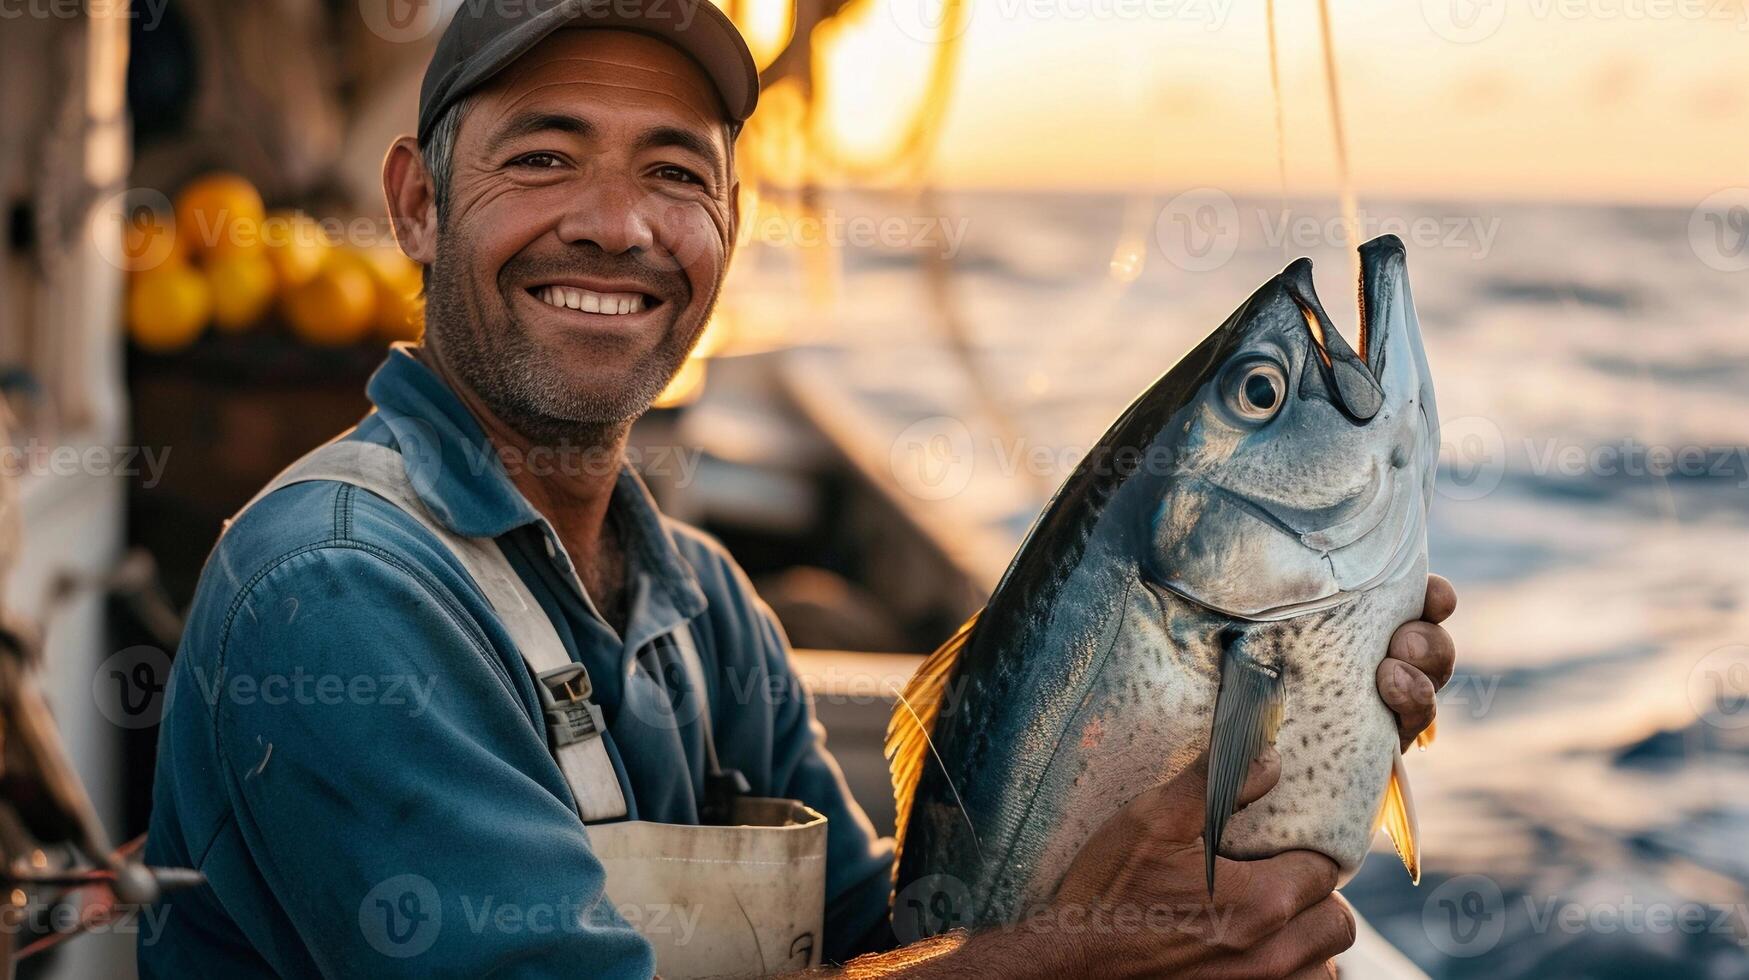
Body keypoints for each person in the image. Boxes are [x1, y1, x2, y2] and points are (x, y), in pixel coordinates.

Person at [140, 2, 1459, 976]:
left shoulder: (705, 610)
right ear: (416, 207)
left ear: (727, 226)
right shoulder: (330, 589)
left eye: (674, 170)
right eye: (543, 158)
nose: (618, 222)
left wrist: (1239, 768)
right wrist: (1086, 956)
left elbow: (878, 944)